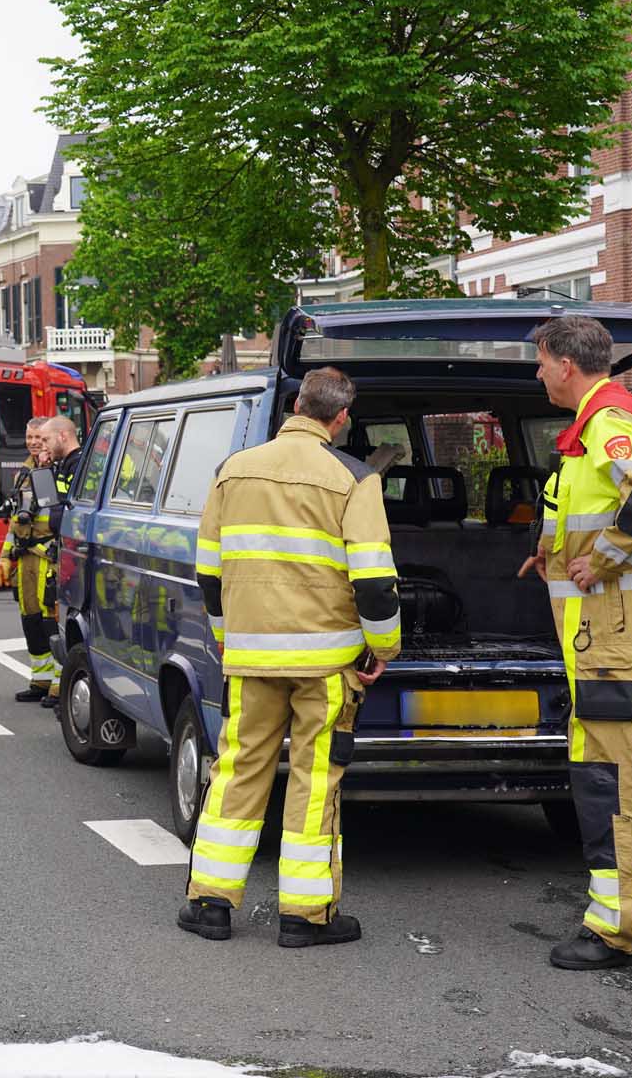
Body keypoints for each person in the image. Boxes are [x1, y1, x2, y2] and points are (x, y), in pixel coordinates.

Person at [179, 367, 400, 948]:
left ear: (296, 405)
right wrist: (382, 649)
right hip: (326, 666)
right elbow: (376, 584)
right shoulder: (353, 479)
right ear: (341, 418)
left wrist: (229, 635)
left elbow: (208, 570)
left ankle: (209, 904)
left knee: (237, 771)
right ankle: (306, 915)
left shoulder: (233, 470)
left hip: (251, 660)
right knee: (314, 779)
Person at [517, 316, 632, 971]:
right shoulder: (593, 426)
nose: (537, 374)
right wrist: (551, 554)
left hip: (621, 620)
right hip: (623, 620)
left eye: (540, 362)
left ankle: (616, 929)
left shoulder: (608, 420)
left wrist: (605, 559)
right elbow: (579, 504)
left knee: (611, 770)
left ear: (566, 363)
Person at [0, 418, 59, 702]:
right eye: (30, 436)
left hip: (48, 556)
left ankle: (59, 683)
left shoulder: (58, 470)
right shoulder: (23, 472)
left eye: (39, 437)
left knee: (50, 621)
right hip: (25, 557)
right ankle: (41, 680)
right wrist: (4, 558)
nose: (34, 442)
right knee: (30, 619)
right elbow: (14, 521)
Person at [38, 416, 84, 710]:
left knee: (73, 624)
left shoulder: (79, 465)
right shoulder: (64, 466)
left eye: (45, 440)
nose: (42, 446)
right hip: (66, 553)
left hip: (77, 557)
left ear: (63, 436)